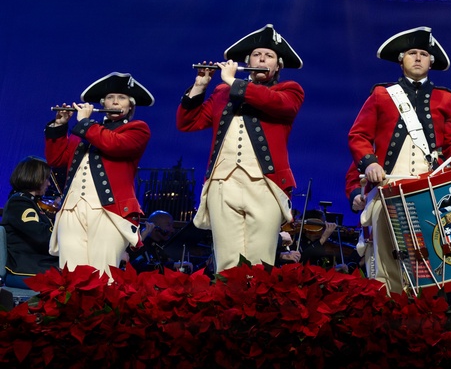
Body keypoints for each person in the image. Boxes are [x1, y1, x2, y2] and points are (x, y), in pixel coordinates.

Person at [346, 26, 451, 295]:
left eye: (423, 54)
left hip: (428, 194)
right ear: (401, 60)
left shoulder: (446, 98)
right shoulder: (382, 94)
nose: (418, 58)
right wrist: (369, 163)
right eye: (412, 53)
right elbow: (358, 134)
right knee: (386, 264)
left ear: (431, 61)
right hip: (388, 190)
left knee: (428, 263)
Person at [177, 24, 304, 272]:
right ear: (247, 61)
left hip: (265, 184)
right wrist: (200, 86)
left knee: (261, 258)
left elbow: (278, 105)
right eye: (257, 55)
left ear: (278, 66)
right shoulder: (223, 91)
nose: (262, 59)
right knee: (226, 261)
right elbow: (187, 122)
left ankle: (257, 308)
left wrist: (233, 82)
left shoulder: (289, 90)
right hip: (223, 182)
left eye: (269, 56)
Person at [45, 72, 153, 278]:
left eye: (121, 97)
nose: (114, 101)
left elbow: (114, 145)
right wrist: (59, 127)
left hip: (110, 211)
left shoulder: (137, 129)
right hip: (72, 208)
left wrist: (84, 123)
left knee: (103, 275)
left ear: (130, 106)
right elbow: (56, 160)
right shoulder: (86, 132)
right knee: (71, 274)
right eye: (110, 97)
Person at [1, 156, 59, 289]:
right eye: (46, 179)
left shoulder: (32, 203)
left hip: (40, 265)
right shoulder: (20, 202)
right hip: (28, 269)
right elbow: (42, 236)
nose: (49, 184)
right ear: (36, 178)